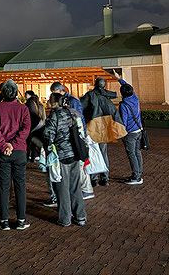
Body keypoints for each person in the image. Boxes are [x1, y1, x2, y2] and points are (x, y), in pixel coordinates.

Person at [0, 80, 31, 230]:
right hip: (19, 151)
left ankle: (4, 220)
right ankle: (21, 219)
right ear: (16, 92)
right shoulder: (23, 109)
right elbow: (26, 129)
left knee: (4, 186)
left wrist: (4, 145)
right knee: (20, 186)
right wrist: (14, 144)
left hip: (3, 152)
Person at [44, 92, 87, 227]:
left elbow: (49, 136)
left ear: (54, 103)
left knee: (62, 189)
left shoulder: (53, 116)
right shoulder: (71, 113)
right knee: (75, 187)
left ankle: (65, 218)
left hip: (61, 156)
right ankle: (80, 216)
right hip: (74, 153)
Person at [48, 82, 94, 202]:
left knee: (80, 166)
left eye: (54, 93)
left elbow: (79, 119)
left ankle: (86, 189)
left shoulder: (72, 102)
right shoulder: (67, 102)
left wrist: (82, 136)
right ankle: (81, 191)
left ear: (60, 91)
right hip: (71, 139)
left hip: (74, 138)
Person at [80, 77, 118, 186]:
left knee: (93, 152)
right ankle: (105, 177)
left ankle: (94, 178)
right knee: (103, 152)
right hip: (104, 127)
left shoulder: (90, 95)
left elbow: (80, 107)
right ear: (104, 85)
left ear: (95, 84)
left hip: (93, 127)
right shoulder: (107, 96)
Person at [118, 77, 144, 185]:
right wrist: (119, 79)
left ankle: (136, 177)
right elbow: (129, 87)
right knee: (137, 153)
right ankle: (139, 174)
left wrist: (121, 133)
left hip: (130, 133)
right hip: (139, 130)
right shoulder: (135, 98)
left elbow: (123, 122)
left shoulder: (123, 105)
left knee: (132, 154)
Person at [24, 90, 45, 161]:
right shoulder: (36, 102)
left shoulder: (29, 103)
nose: (25, 96)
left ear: (29, 95)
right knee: (33, 142)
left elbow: (29, 115)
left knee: (28, 142)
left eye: (26, 95)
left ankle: (27, 157)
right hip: (39, 123)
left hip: (33, 124)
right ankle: (33, 157)